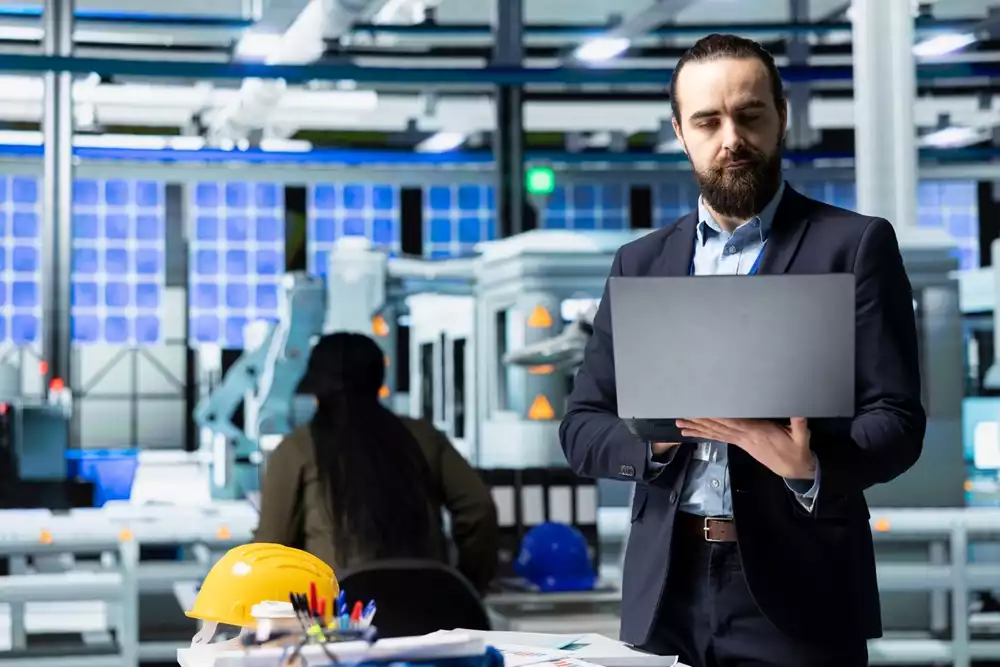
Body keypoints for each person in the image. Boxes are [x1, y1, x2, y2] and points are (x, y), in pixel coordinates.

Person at [559, 33, 925, 667]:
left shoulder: (853, 247)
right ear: (681, 131)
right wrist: (655, 442)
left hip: (800, 591)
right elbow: (582, 426)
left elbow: (897, 420)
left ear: (781, 116)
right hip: (666, 589)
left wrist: (808, 466)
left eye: (750, 114)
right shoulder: (641, 264)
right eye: (708, 120)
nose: (732, 137)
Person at [254, 332, 499, 594]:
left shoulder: (296, 450)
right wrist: (468, 584)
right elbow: (479, 509)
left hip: (338, 619)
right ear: (378, 379)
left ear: (315, 385)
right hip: (428, 607)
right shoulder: (423, 437)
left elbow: (272, 550)